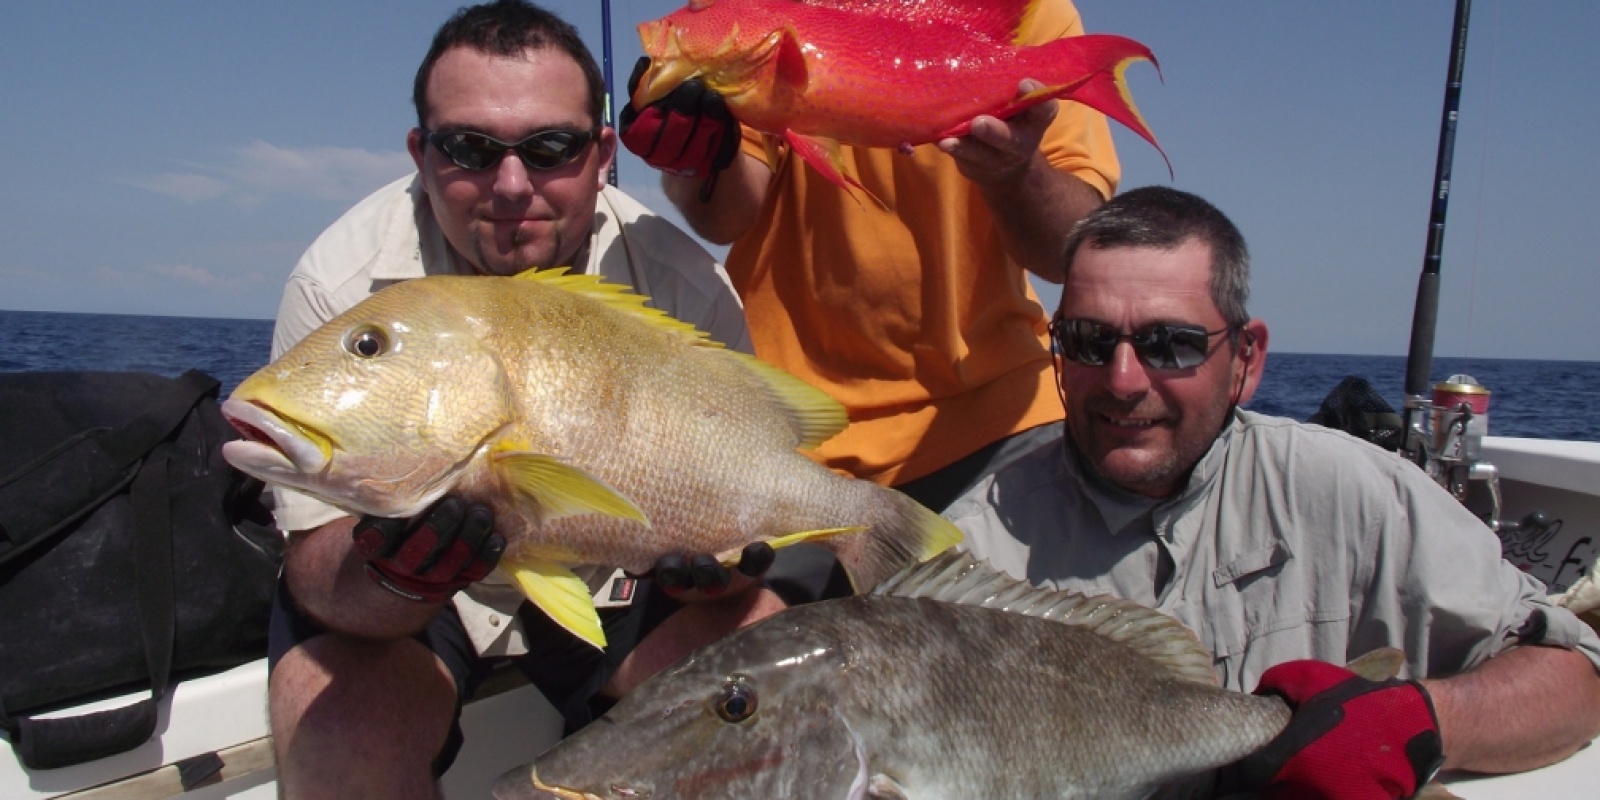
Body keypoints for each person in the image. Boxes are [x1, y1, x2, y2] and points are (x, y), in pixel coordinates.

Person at [265, 3, 790, 798]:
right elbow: (314, 566)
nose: (513, 186)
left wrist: (713, 576)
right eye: (470, 148)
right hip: (420, 610)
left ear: (602, 154)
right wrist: (395, 572)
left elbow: (741, 490)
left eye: (551, 148)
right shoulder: (339, 291)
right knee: (334, 723)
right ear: (421, 152)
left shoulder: (684, 285)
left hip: (615, 578)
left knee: (777, 670)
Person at [944, 186, 1600, 797]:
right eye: (1088, 341)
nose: (1122, 379)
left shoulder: (1359, 495)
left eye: (1170, 344)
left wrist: (1417, 720)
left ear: (1247, 360)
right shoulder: (975, 550)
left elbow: (1574, 676)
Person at [620, 0, 1120, 512]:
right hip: (793, 432)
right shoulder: (754, 13)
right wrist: (696, 157)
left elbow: (1071, 251)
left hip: (998, 423)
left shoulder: (1028, 10)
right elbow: (725, 220)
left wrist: (1016, 172)